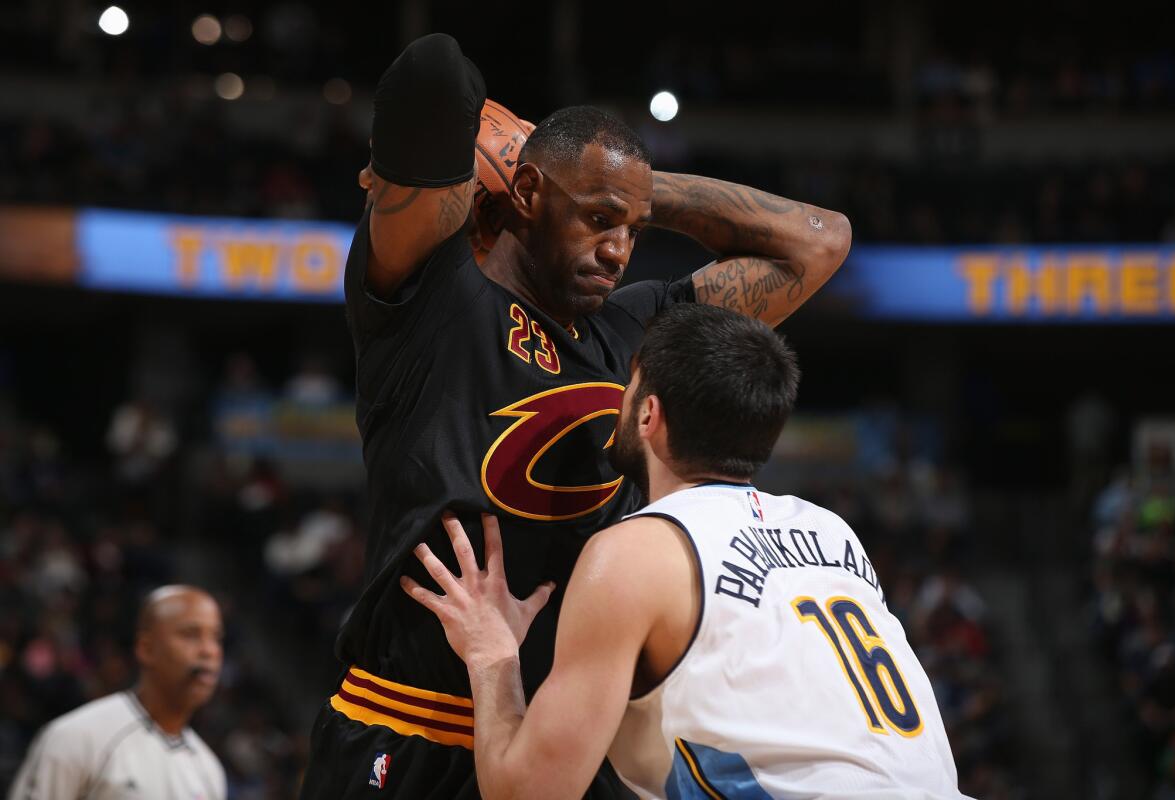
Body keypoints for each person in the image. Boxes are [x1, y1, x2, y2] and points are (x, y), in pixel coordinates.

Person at [300, 31, 852, 799]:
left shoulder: (635, 330)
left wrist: (634, 189)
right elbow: (432, 71)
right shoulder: (433, 295)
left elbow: (819, 243)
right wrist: (523, 148)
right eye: (598, 220)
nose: (622, 249)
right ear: (524, 193)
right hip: (410, 727)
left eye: (631, 228)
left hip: (558, 742)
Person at [406, 304, 969, 800]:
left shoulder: (635, 552)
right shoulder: (830, 530)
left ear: (648, 414)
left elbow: (529, 794)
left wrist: (491, 655)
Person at [8, 586, 226, 800]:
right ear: (146, 648)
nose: (209, 650)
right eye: (190, 634)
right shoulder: (76, 738)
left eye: (216, 637)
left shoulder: (209, 769)